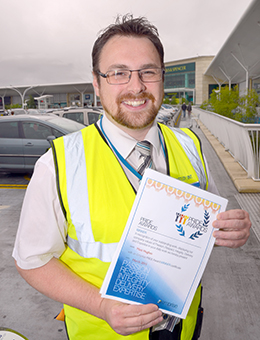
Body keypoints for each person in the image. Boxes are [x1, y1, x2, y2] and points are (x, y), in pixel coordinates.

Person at [13, 14, 251, 340]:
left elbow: (201, 227)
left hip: (184, 329)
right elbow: (31, 261)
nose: (136, 86)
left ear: (162, 78)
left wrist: (229, 231)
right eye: (118, 73)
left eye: (148, 72)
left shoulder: (190, 146)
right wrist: (101, 306)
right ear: (96, 83)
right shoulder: (59, 163)